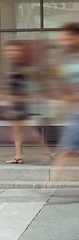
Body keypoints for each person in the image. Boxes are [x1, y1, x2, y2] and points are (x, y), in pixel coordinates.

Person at [53, 23, 79, 162]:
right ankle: (48, 184)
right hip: (74, 115)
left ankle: (48, 185)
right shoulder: (68, 58)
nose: (63, 42)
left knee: (66, 152)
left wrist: (69, 98)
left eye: (66, 38)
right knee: (66, 151)